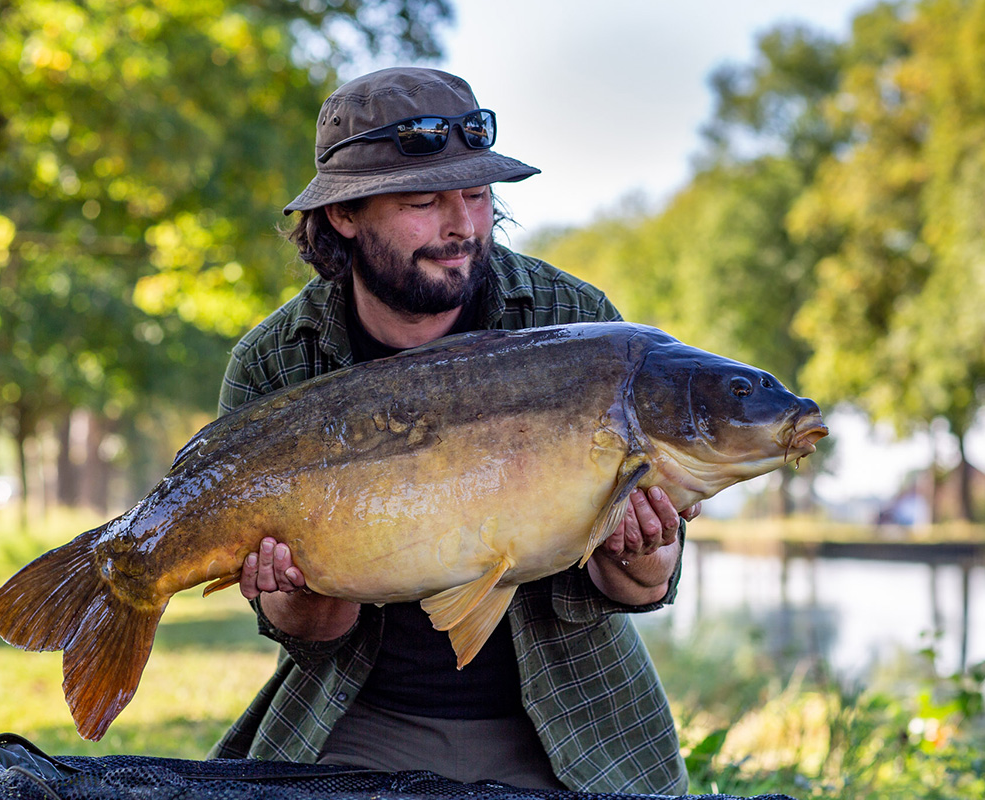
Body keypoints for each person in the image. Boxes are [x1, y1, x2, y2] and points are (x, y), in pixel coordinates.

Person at [209, 67, 698, 795]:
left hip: (571, 725)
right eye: (423, 201)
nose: (463, 227)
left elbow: (637, 587)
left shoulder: (573, 320)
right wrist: (294, 592)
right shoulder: (277, 362)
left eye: (476, 195)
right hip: (358, 718)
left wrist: (649, 553)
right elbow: (312, 631)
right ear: (345, 215)